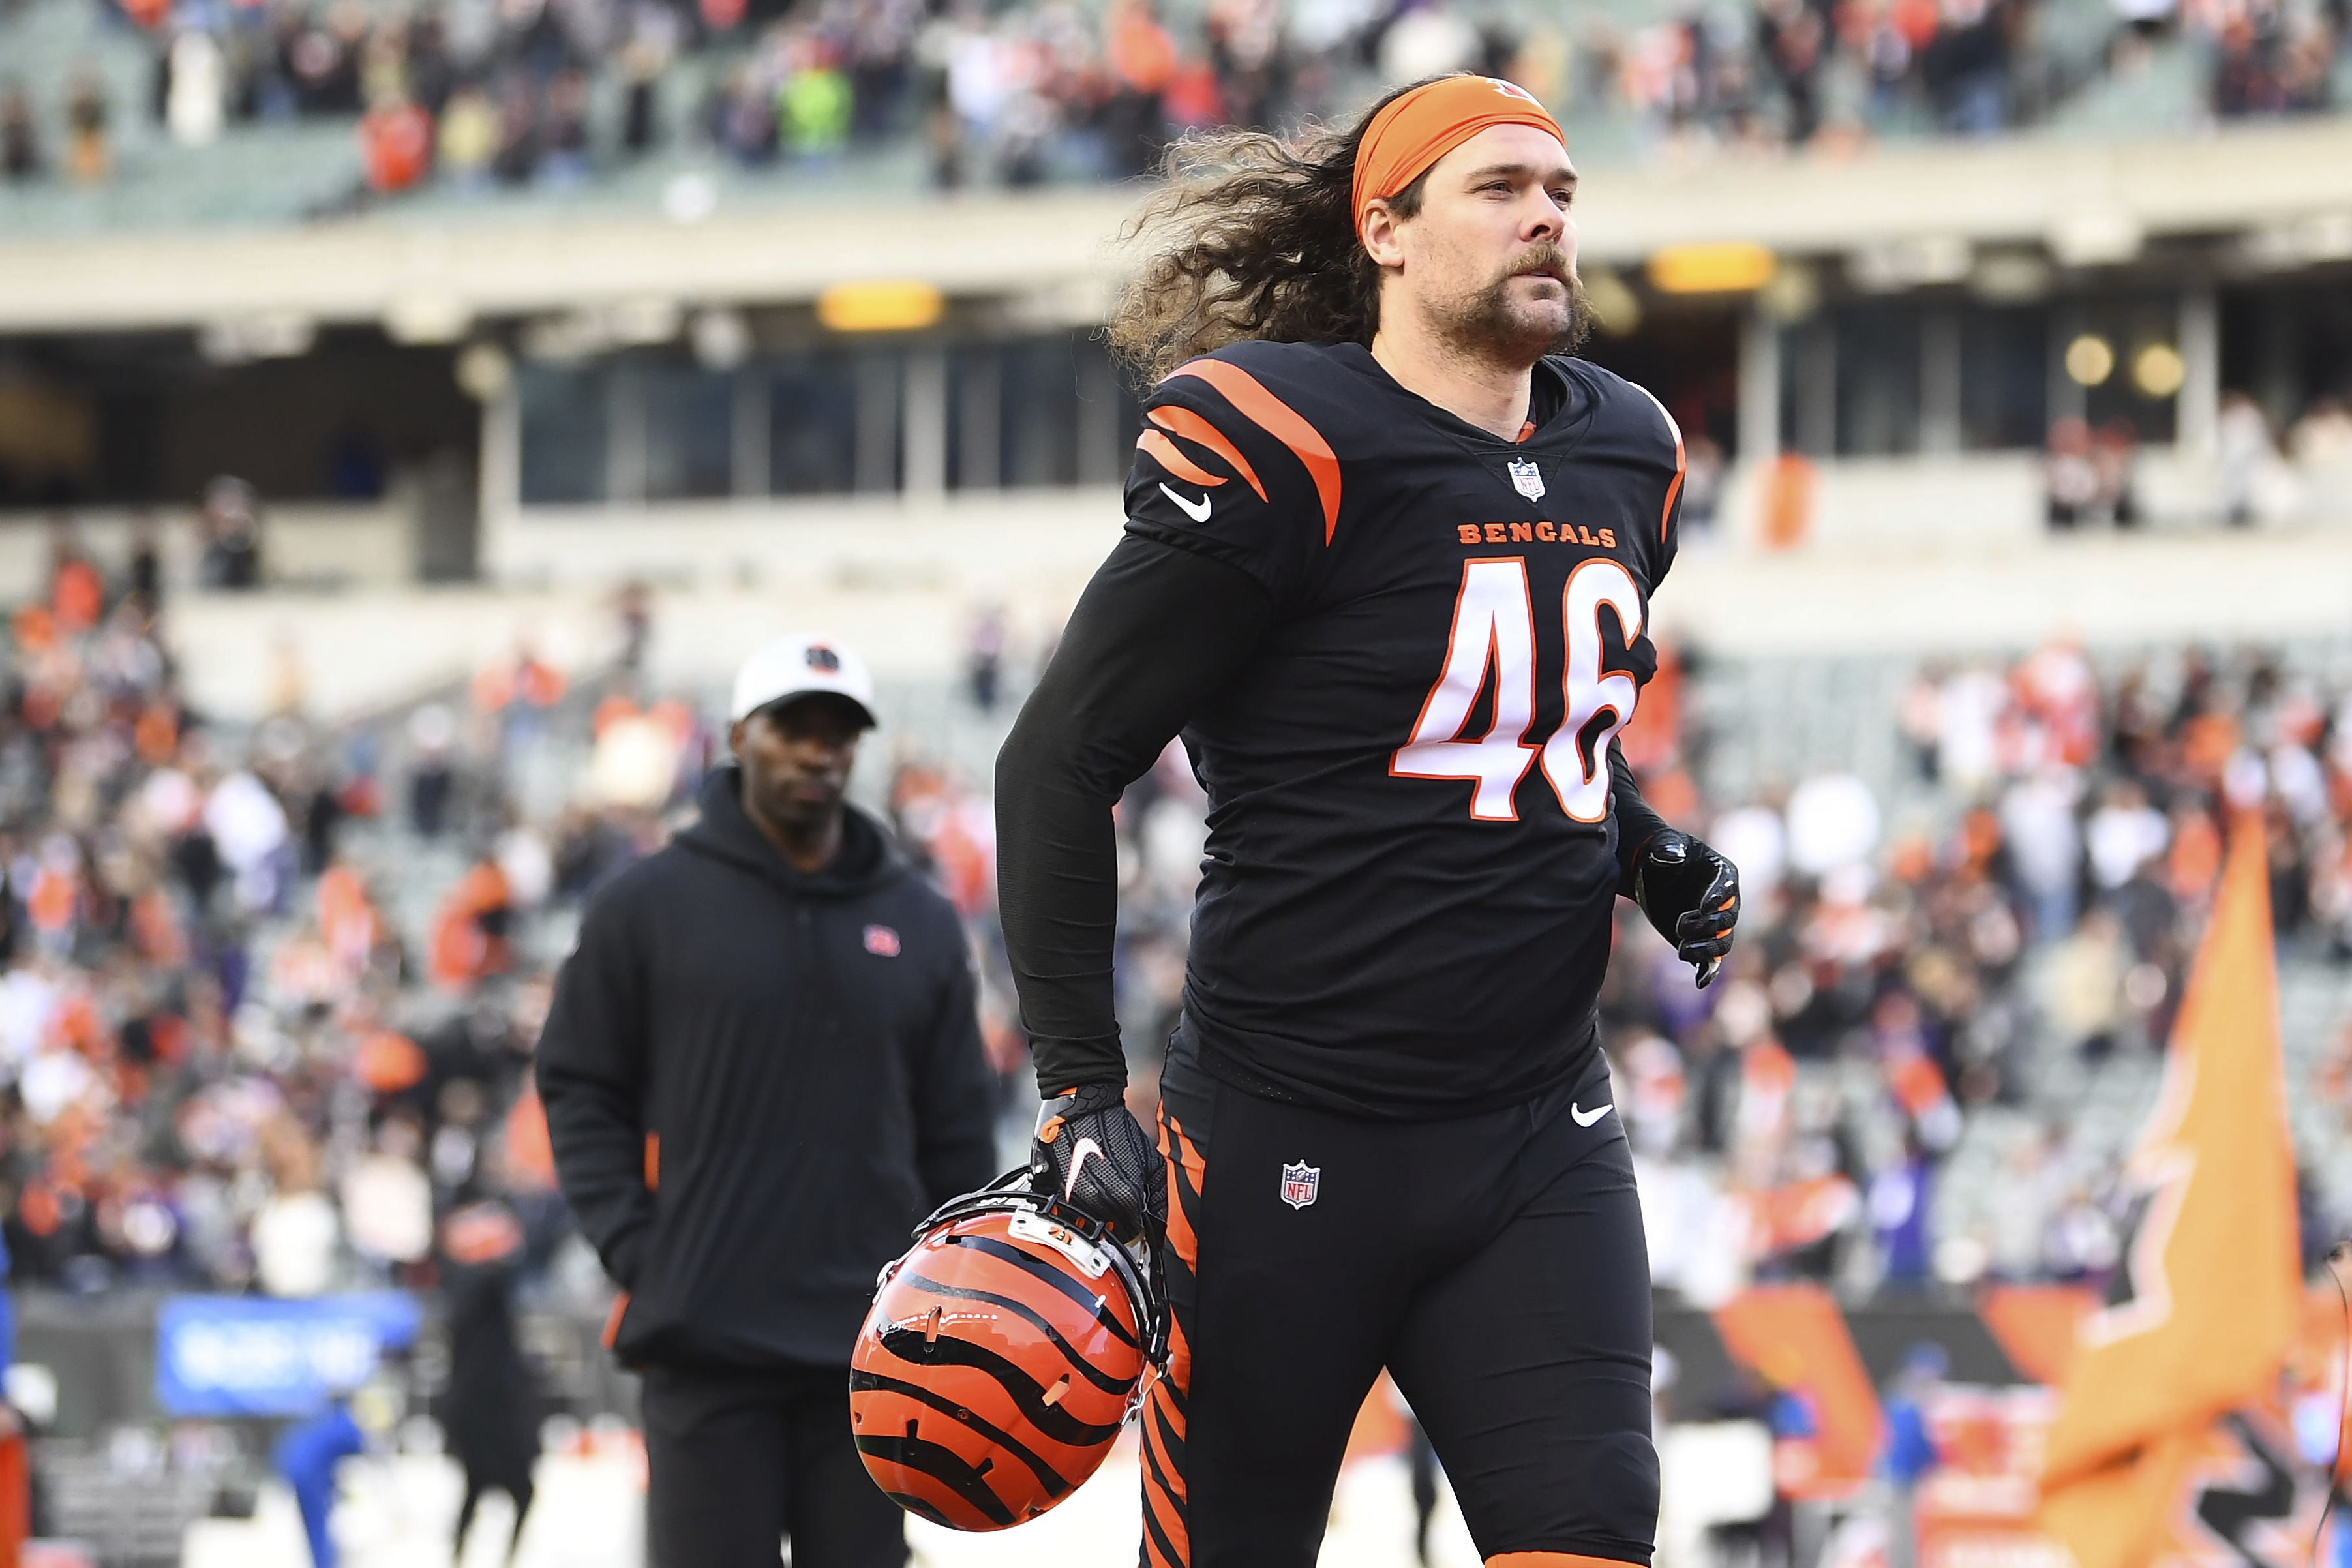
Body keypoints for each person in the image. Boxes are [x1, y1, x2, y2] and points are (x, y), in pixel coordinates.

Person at [994, 72, 1740, 1568]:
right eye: (1502, 187)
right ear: (1385, 231)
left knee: (1593, 1537)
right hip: (1286, 1132)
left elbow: (1503, 722)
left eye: (1564, 190)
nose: (1548, 214)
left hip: (1536, 1128)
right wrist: (1081, 1094)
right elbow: (1060, 758)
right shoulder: (1285, 440)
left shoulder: (1626, 449)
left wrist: (1634, 838)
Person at [536, 633, 997, 1568]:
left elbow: (956, 1129)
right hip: (705, 1343)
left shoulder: (918, 919)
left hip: (871, 1358)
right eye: (794, 728)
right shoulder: (646, 905)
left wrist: (941, 1293)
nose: (817, 751)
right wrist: (637, 1245)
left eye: (838, 731)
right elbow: (580, 1081)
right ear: (741, 735)